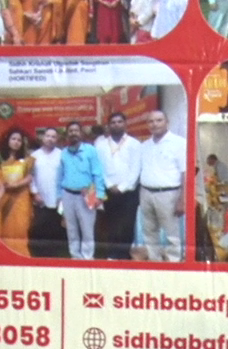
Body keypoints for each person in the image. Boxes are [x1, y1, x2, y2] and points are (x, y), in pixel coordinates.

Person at [136, 109, 186, 261]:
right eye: (151, 121)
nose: (155, 124)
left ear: (167, 122)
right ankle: (154, 263)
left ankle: (173, 264)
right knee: (150, 232)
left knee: (172, 235)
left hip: (169, 195)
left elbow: (185, 172)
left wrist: (182, 199)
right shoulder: (144, 146)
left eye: (159, 120)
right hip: (146, 193)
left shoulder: (179, 143)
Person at [94, 111, 143, 260]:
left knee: (127, 224)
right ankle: (112, 254)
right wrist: (109, 185)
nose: (116, 125)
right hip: (108, 191)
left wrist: (122, 187)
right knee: (111, 223)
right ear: (108, 126)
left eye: (119, 122)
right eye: (113, 122)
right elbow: (98, 167)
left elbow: (136, 169)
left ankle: (124, 254)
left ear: (125, 124)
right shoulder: (100, 144)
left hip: (128, 192)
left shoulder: (134, 143)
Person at [57, 122, 106, 261]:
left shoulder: (90, 150)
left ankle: (88, 257)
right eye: (70, 130)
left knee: (87, 229)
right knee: (71, 228)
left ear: (81, 133)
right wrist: (59, 196)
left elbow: (98, 173)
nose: (73, 133)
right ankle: (75, 256)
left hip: (89, 192)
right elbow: (60, 176)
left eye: (76, 130)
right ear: (67, 134)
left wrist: (100, 195)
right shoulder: (63, 153)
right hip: (67, 193)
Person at [0, 127, 36, 255]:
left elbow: (29, 177)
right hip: (3, 196)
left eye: (19, 140)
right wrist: (4, 186)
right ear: (8, 140)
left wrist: (15, 185)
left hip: (21, 197)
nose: (16, 142)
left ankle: (21, 255)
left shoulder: (27, 159)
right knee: (3, 228)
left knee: (20, 229)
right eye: (13, 139)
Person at [28, 125, 68, 258]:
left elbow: (65, 175)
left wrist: (62, 196)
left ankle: (54, 256)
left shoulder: (62, 155)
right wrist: (35, 193)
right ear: (42, 138)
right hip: (40, 198)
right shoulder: (34, 156)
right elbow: (30, 177)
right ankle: (39, 255)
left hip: (57, 199)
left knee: (55, 229)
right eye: (48, 136)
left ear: (57, 139)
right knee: (40, 228)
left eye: (53, 137)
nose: (50, 139)